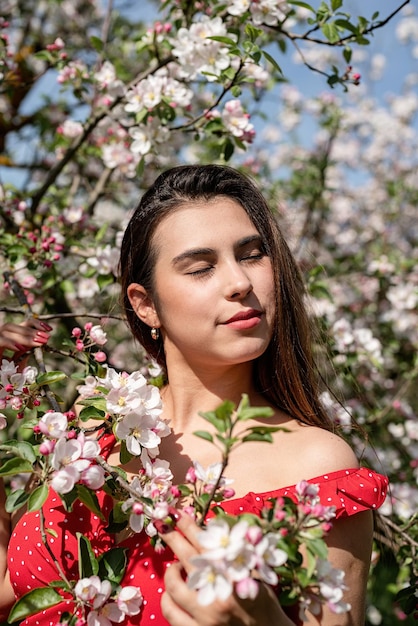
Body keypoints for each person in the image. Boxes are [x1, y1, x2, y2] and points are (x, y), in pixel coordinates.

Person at [2, 164, 387, 626]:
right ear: (146, 305)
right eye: (201, 267)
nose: (240, 283)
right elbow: (13, 586)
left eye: (252, 254)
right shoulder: (93, 428)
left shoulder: (318, 469)